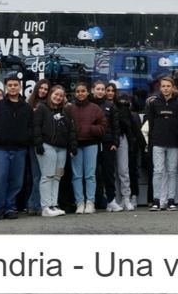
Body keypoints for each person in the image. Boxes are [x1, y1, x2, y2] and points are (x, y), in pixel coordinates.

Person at [0, 74, 33, 220]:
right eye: (10, 85)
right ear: (6, 87)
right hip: (0, 149)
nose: (13, 87)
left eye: (15, 85)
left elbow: (31, 126)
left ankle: (10, 208)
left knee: (16, 181)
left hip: (20, 150)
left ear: (20, 87)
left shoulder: (26, 107)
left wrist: (25, 138)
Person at [33, 85, 76, 218]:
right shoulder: (42, 108)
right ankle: (46, 206)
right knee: (48, 176)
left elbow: (71, 129)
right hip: (47, 146)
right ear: (50, 94)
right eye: (56, 94)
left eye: (61, 96)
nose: (58, 97)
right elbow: (36, 126)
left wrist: (72, 145)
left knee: (57, 176)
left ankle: (53, 204)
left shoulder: (65, 111)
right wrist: (38, 143)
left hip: (62, 148)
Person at [68, 82, 107, 214]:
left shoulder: (95, 108)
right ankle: (80, 202)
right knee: (77, 175)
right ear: (75, 93)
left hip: (91, 144)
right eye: (78, 91)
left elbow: (103, 126)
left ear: (87, 92)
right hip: (76, 145)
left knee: (90, 175)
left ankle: (90, 202)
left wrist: (90, 129)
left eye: (83, 91)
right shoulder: (70, 108)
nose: (80, 94)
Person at [145, 76, 178, 211]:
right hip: (158, 142)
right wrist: (151, 142)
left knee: (172, 172)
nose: (166, 88)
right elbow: (151, 124)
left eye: (168, 86)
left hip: (173, 142)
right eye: (163, 86)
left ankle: (171, 200)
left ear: (173, 88)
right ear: (160, 88)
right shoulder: (154, 103)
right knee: (158, 171)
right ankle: (156, 200)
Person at [91, 81, 122, 212]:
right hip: (91, 144)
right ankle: (92, 201)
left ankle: (111, 200)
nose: (101, 91)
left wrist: (115, 143)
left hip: (108, 144)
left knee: (109, 173)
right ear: (92, 90)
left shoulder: (110, 106)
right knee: (92, 174)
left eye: (102, 89)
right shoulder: (88, 105)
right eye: (98, 89)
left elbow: (116, 126)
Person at [22, 79, 51, 216]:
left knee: (44, 175)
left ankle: (36, 204)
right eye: (41, 88)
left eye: (46, 89)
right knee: (36, 175)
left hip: (46, 143)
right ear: (37, 88)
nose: (43, 91)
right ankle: (33, 204)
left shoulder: (49, 105)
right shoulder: (29, 103)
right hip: (32, 143)